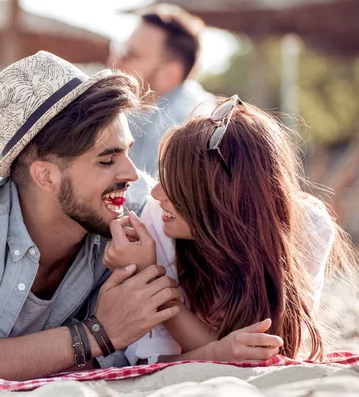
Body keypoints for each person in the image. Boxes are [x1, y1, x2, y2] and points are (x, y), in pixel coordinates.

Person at [0, 52, 285, 381]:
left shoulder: (134, 214)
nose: (131, 174)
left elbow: (136, 363)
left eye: (125, 153)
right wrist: (94, 335)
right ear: (45, 176)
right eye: (106, 160)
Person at [103, 95, 358, 364]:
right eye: (162, 176)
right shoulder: (158, 221)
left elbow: (271, 347)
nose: (156, 193)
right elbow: (147, 361)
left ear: (223, 198)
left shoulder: (307, 226)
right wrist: (150, 276)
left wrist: (217, 350)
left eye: (177, 184)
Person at [109, 4, 215, 176]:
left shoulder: (192, 126)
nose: (117, 61)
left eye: (132, 54)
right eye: (120, 50)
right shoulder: (134, 112)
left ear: (171, 72)